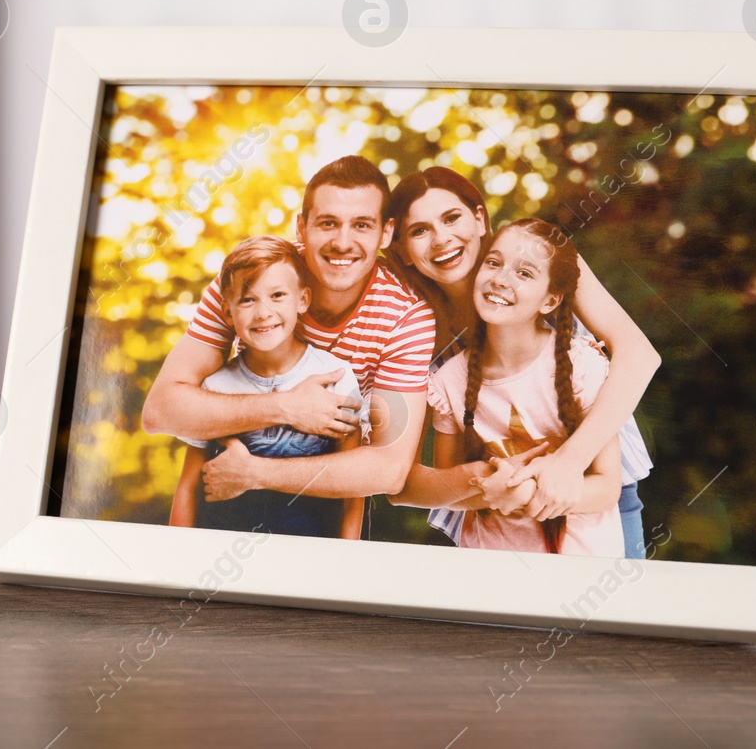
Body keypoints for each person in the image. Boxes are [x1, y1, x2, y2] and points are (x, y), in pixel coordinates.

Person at [384, 167, 659, 557]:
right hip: (494, 517)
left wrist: (568, 461)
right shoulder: (416, 324)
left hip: (592, 489)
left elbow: (638, 353)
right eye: (419, 230)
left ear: (479, 218)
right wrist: (482, 484)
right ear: (402, 250)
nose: (442, 238)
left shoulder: (537, 253)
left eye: (451, 218)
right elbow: (403, 481)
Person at [142, 156, 435, 514]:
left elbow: (389, 470)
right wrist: (286, 407)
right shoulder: (249, 279)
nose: (343, 242)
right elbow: (160, 411)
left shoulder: (407, 318)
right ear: (301, 227)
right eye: (328, 223)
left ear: (385, 233)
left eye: (361, 225)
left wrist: (257, 473)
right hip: (228, 500)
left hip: (326, 504)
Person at [167, 236, 366, 538]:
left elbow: (353, 490)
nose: (263, 312)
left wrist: (347, 557)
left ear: (303, 300)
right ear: (227, 312)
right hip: (223, 544)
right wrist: (177, 557)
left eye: (277, 295)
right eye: (247, 299)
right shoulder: (215, 387)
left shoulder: (335, 376)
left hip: (311, 550)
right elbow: (188, 484)